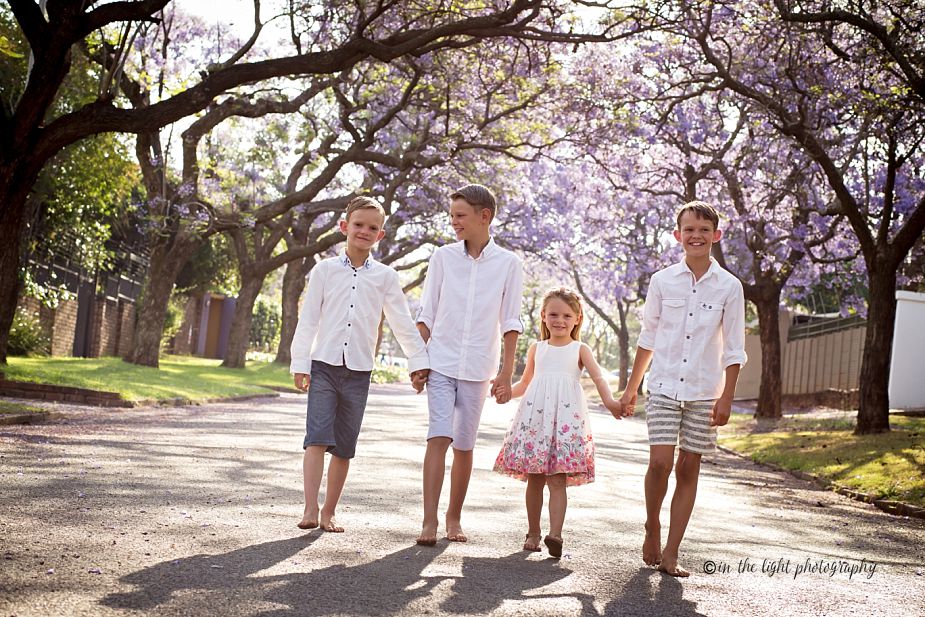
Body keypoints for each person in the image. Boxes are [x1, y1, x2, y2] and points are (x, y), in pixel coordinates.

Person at [620, 201, 747, 577]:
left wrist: (727, 397)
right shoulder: (661, 281)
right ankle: (652, 524)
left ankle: (673, 551)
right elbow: (648, 338)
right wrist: (630, 389)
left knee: (688, 467)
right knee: (659, 463)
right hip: (661, 386)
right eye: (689, 229)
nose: (696, 236)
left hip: (705, 392)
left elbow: (735, 347)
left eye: (704, 230)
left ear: (716, 236)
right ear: (678, 236)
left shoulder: (730, 287)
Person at [290, 196, 430, 533]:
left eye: (372, 228)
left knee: (343, 445)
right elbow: (308, 319)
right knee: (316, 439)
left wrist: (418, 360)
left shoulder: (385, 277)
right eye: (358, 225)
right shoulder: (323, 271)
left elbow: (401, 322)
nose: (364, 231)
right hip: (323, 365)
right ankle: (310, 507)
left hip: (358, 372)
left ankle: (329, 512)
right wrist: (300, 362)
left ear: (380, 235)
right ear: (344, 228)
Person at [414, 183, 524, 546]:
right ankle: (429, 520)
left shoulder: (509, 264)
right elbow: (426, 312)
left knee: (463, 445)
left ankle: (453, 517)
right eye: (452, 216)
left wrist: (506, 373)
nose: (454, 223)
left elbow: (511, 322)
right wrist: (419, 361)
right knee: (439, 435)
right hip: (441, 363)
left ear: (484, 216)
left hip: (479, 368)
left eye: (460, 216)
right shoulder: (442, 257)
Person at [494, 287, 624, 558]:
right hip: (536, 420)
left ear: (577, 319)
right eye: (553, 314)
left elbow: (599, 378)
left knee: (557, 480)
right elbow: (526, 383)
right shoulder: (537, 348)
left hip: (565, 424)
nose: (559, 320)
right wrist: (507, 392)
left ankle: (555, 534)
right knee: (535, 479)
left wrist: (611, 402)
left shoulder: (580, 349)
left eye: (566, 315)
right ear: (543, 316)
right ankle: (532, 532)